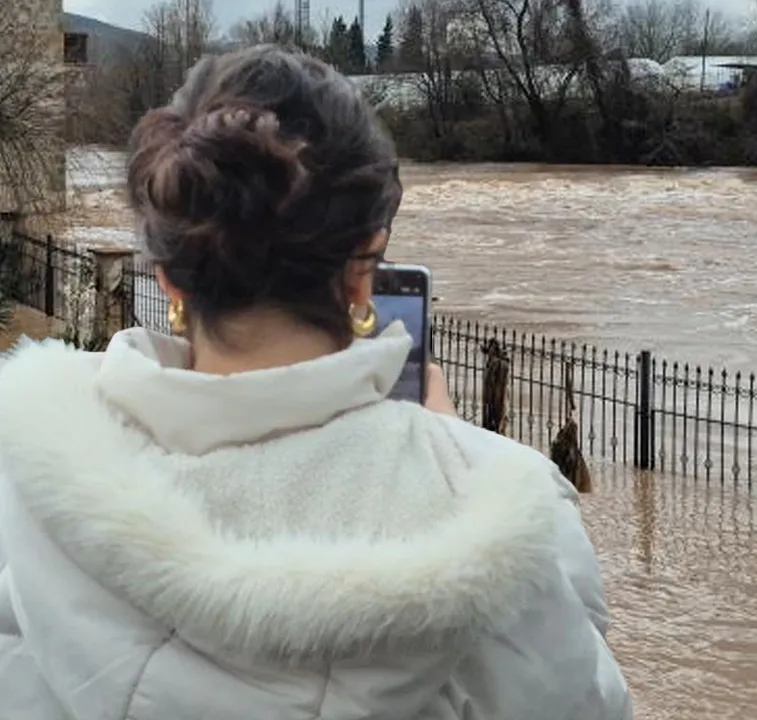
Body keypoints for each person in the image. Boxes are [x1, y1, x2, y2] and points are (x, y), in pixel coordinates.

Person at [0, 45, 631, 720]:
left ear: (171, 279)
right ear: (363, 273)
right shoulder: (505, 513)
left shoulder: (24, 477)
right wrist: (449, 449)